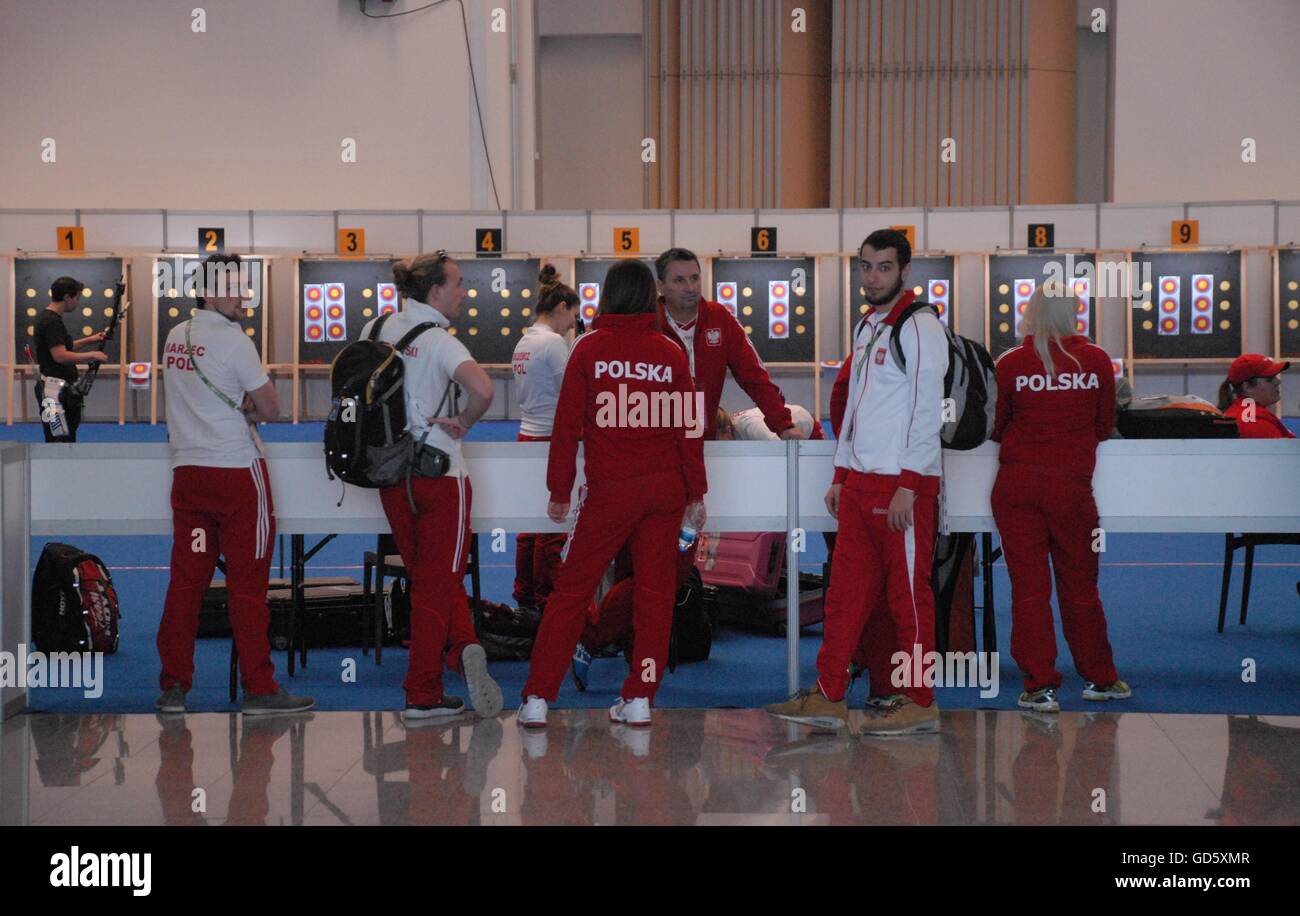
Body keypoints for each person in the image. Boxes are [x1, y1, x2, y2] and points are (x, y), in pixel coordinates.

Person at [767, 228, 947, 736]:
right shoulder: (868, 327)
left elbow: (926, 412)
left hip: (902, 490)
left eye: (884, 267)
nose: (872, 276)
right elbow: (857, 409)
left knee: (909, 600)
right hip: (861, 487)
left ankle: (919, 698)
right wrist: (842, 473)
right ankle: (828, 694)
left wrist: (909, 485)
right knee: (844, 598)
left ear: (905, 271)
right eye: (866, 267)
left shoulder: (921, 327)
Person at [519, 259, 707, 729]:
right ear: (650, 296)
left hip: (609, 494)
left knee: (570, 592)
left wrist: (559, 490)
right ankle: (640, 696)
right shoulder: (670, 352)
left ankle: (539, 697)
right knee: (655, 595)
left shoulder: (587, 349)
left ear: (607, 296)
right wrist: (696, 494)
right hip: (664, 493)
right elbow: (690, 431)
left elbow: (565, 429)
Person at [156, 253, 313, 715]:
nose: (242, 295)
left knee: (186, 585)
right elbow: (271, 409)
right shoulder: (235, 342)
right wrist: (244, 405)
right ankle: (260, 689)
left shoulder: (173, 336)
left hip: (188, 476)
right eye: (233, 286)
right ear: (208, 291)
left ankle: (173, 687)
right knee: (248, 588)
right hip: (238, 478)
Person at [360, 251, 504, 722]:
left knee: (428, 579)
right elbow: (484, 390)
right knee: (437, 583)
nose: (465, 292)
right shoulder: (442, 342)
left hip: (389, 477)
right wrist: (462, 421)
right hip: (440, 477)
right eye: (459, 284)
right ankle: (422, 693)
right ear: (435, 291)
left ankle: (461, 646)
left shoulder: (375, 329)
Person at [989, 282, 1129, 712]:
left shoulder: (1010, 363)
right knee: (1081, 586)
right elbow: (1105, 423)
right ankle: (1100, 677)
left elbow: (998, 426)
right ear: (1075, 314)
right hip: (1072, 490)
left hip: (1016, 489)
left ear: (1031, 314)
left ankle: (1039, 685)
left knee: (1028, 590)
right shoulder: (1098, 361)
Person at [655, 247, 803, 441]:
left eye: (694, 278)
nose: (690, 287)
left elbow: (754, 376)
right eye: (679, 280)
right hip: (654, 442)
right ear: (660, 286)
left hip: (702, 441)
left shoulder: (719, 318)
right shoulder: (648, 323)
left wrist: (783, 425)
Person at [511, 265, 580, 613]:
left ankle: (525, 596)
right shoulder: (552, 343)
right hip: (550, 440)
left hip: (527, 435)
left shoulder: (524, 342)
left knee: (527, 525)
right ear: (562, 308)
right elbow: (573, 392)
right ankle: (546, 602)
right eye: (573, 317)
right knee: (552, 526)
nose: (572, 325)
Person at [32, 276, 107, 442]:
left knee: (65, 437)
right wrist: (92, 355)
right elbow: (60, 356)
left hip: (54, 389)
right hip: (53, 390)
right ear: (67, 297)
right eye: (77, 298)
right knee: (59, 441)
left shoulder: (50, 318)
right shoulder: (51, 321)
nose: (77, 302)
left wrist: (91, 339)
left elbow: (64, 347)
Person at [1218, 354, 1294, 439]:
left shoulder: (1248, 413)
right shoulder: (1252, 421)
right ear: (1248, 387)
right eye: (1270, 379)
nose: (1278, 382)